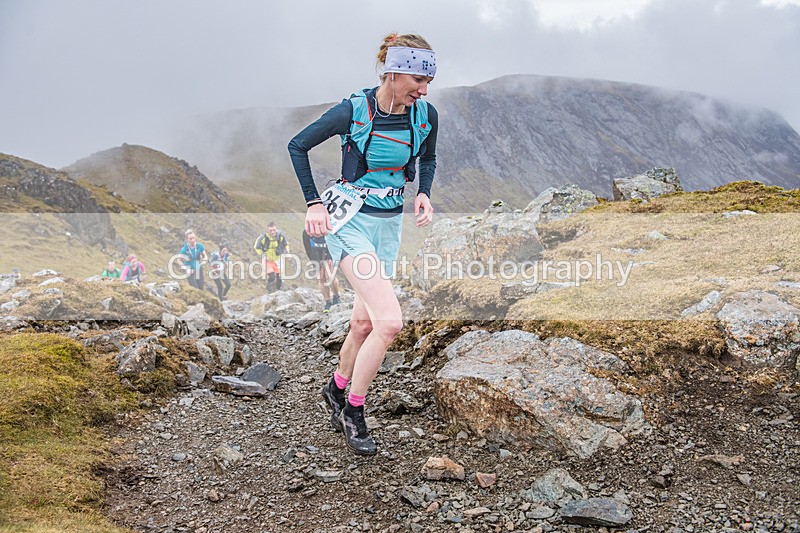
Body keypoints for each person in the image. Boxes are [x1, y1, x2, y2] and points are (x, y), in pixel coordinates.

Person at [288, 33, 437, 455]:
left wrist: (423, 192)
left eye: (429, 81)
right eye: (418, 79)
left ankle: (336, 388)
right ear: (393, 71)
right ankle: (353, 409)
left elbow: (427, 157)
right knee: (389, 323)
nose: (423, 90)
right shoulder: (354, 110)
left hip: (388, 226)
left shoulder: (424, 115)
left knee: (363, 324)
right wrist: (314, 203)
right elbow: (297, 146)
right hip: (349, 224)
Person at [302, 229, 341, 311]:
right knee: (321, 278)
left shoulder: (328, 228)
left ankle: (336, 297)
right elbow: (308, 249)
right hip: (317, 256)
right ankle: (327, 302)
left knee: (330, 275)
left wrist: (331, 257)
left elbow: (335, 243)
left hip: (329, 253)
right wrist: (315, 262)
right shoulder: (306, 232)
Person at [253, 222, 290, 293]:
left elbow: (286, 244)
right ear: (267, 230)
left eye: (274, 230)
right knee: (272, 276)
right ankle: (269, 290)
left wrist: (288, 253)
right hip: (268, 260)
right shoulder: (263, 237)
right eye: (271, 230)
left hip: (277, 259)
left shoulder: (280, 236)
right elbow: (256, 247)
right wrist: (263, 256)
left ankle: (278, 292)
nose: (273, 232)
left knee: (279, 278)